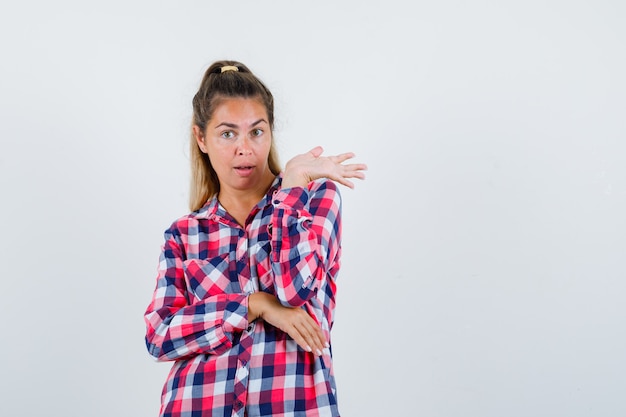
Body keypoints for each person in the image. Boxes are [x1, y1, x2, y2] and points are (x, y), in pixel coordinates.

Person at [143, 60, 367, 417]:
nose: (244, 149)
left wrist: (292, 185)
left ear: (271, 132)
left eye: (256, 132)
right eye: (228, 133)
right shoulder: (184, 235)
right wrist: (253, 305)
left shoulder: (313, 199)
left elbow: (295, 291)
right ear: (202, 138)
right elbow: (159, 336)